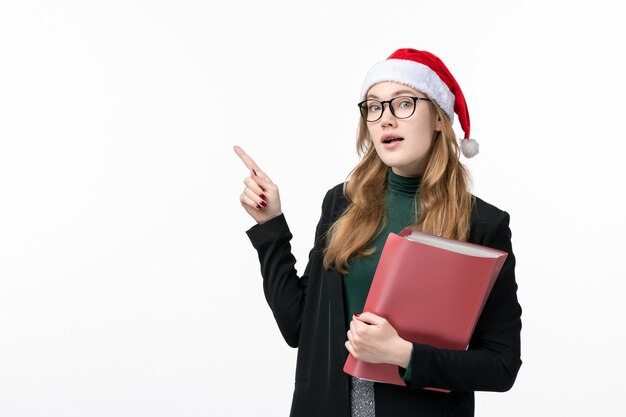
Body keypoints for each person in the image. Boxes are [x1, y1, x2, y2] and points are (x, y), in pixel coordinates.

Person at [235, 48, 522, 417]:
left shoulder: (481, 224)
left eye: (403, 104)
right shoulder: (342, 203)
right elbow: (299, 327)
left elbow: (501, 366)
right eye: (374, 107)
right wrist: (270, 226)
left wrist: (403, 354)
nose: (386, 119)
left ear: (438, 117)